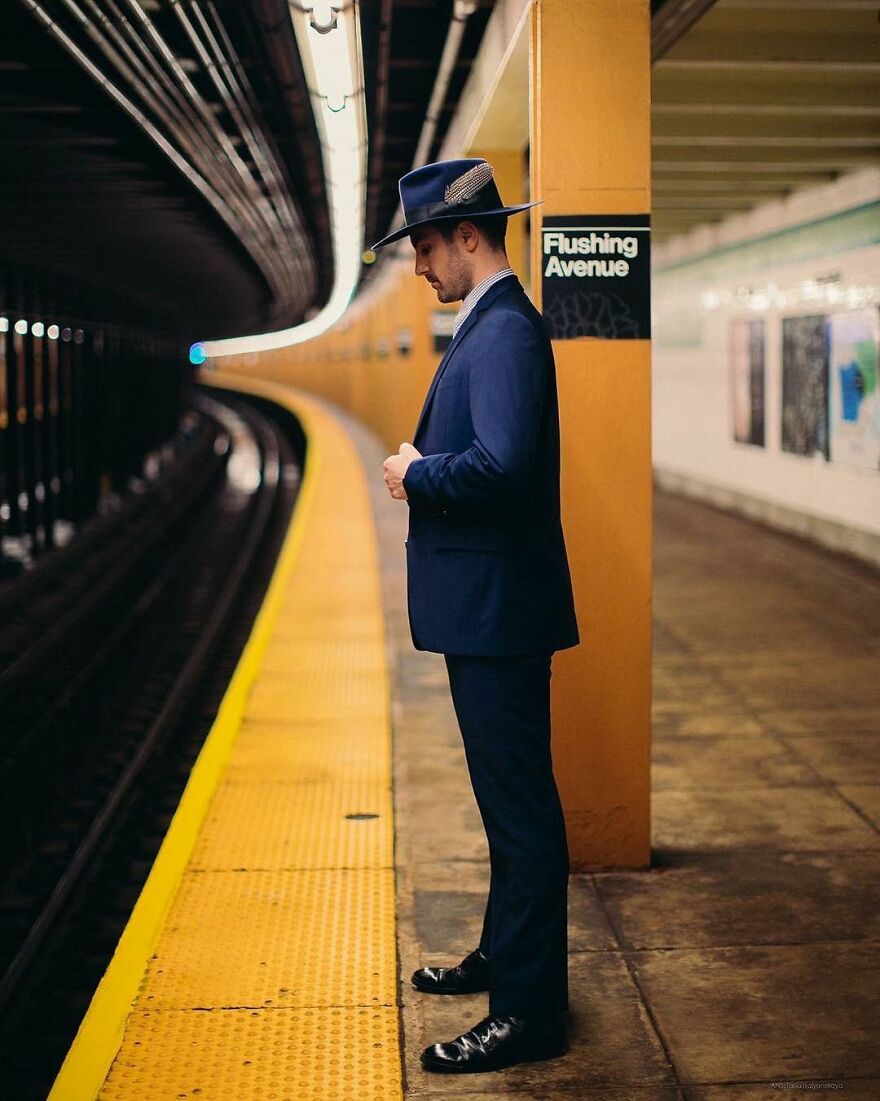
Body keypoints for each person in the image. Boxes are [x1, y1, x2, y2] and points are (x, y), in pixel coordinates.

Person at [373, 157, 579, 1075]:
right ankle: (505, 955)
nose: (418, 267)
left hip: (500, 609)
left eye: (423, 248)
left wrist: (417, 474)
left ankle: (528, 1013)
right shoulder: (486, 325)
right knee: (507, 805)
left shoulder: (502, 334)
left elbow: (500, 465)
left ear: (467, 236)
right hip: (488, 607)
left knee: (522, 810)